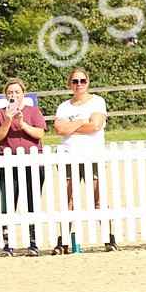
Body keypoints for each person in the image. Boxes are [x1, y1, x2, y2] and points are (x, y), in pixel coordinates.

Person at [52, 68, 119, 251]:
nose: (79, 84)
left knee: (99, 198)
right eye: (75, 81)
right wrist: (82, 121)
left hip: (93, 155)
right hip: (69, 155)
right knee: (69, 200)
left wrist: (71, 126)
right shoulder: (63, 107)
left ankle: (109, 238)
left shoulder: (97, 101)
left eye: (82, 81)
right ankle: (63, 241)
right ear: (70, 84)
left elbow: (95, 126)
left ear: (88, 82)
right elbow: (60, 130)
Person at [0, 78, 46, 256]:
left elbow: (40, 133)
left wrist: (22, 124)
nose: (14, 95)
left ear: (23, 94)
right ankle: (8, 244)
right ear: (6, 95)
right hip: (7, 164)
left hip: (32, 163)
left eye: (17, 92)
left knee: (31, 203)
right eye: (10, 92)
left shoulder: (33, 111)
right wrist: (8, 120)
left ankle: (32, 243)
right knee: (7, 205)